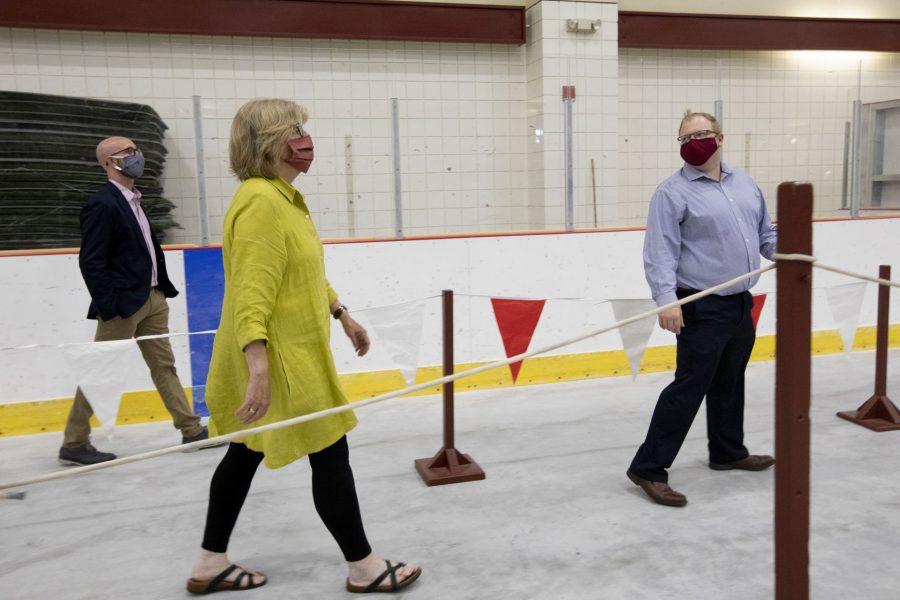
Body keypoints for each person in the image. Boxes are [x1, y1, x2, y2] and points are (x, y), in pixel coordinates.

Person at [186, 99, 421, 595]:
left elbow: (302, 272)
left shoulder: (282, 198)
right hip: (283, 361)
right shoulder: (261, 202)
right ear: (267, 141)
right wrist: (258, 365)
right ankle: (364, 567)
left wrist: (341, 313)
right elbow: (252, 288)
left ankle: (210, 561)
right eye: (293, 129)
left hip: (294, 351)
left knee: (245, 452)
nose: (304, 139)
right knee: (330, 453)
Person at [625, 110, 778, 507]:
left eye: (702, 134)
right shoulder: (671, 192)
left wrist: (789, 251)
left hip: (740, 302)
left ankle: (727, 451)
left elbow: (766, 234)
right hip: (700, 305)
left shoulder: (744, 182)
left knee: (730, 379)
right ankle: (648, 467)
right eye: (685, 138)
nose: (693, 142)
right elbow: (659, 252)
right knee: (689, 387)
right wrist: (666, 300)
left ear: (720, 137)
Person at [59, 136, 215, 466]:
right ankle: (74, 442)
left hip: (154, 299)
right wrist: (109, 304)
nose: (135, 156)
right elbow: (91, 260)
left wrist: (158, 291)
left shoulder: (134, 200)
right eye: (126, 153)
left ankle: (191, 429)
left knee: (164, 366)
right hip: (122, 305)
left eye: (135, 150)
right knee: (99, 372)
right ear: (108, 162)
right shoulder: (103, 204)